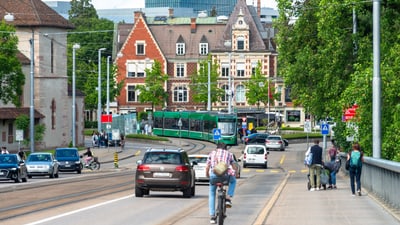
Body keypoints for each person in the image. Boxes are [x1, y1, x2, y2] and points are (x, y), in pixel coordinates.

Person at [206, 143, 237, 224]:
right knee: (233, 181)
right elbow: (234, 166)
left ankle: (212, 216)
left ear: (217, 148)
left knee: (212, 193)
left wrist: (207, 175)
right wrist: (235, 172)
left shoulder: (212, 153)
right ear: (225, 148)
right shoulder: (229, 154)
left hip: (214, 176)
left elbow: (207, 167)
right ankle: (228, 198)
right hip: (225, 176)